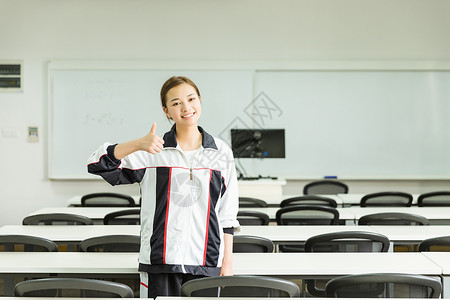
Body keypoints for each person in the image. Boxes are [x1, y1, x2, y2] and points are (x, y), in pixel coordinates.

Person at [87, 76, 240, 298]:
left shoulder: (221, 152)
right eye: (176, 103)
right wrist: (139, 144)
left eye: (191, 99)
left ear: (200, 101)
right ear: (166, 111)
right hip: (160, 261)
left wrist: (227, 263)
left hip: (207, 261)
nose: (186, 107)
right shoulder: (152, 151)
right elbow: (97, 164)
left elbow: (227, 214)